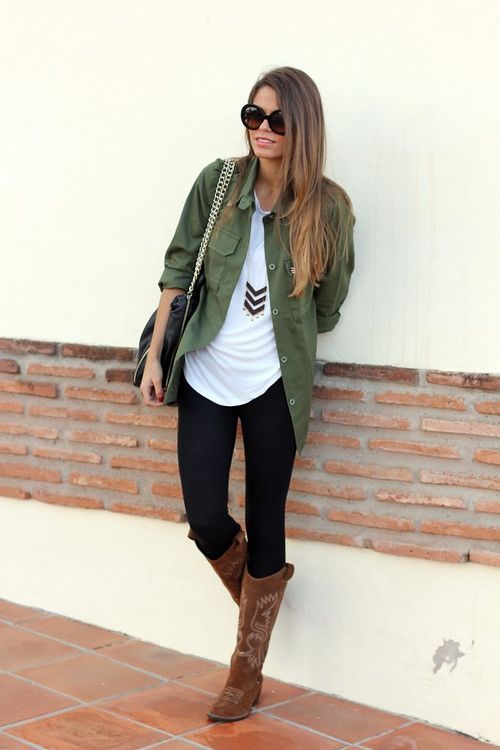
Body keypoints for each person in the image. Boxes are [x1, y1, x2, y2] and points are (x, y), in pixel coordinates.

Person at [139, 66, 355, 722]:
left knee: (267, 520)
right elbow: (178, 268)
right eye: (253, 115)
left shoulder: (329, 207)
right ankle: (260, 608)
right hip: (206, 370)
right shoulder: (218, 182)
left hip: (274, 384)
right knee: (205, 514)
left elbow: (328, 305)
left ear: (302, 128)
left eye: (278, 120)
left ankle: (245, 670)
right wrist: (155, 356)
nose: (262, 129)